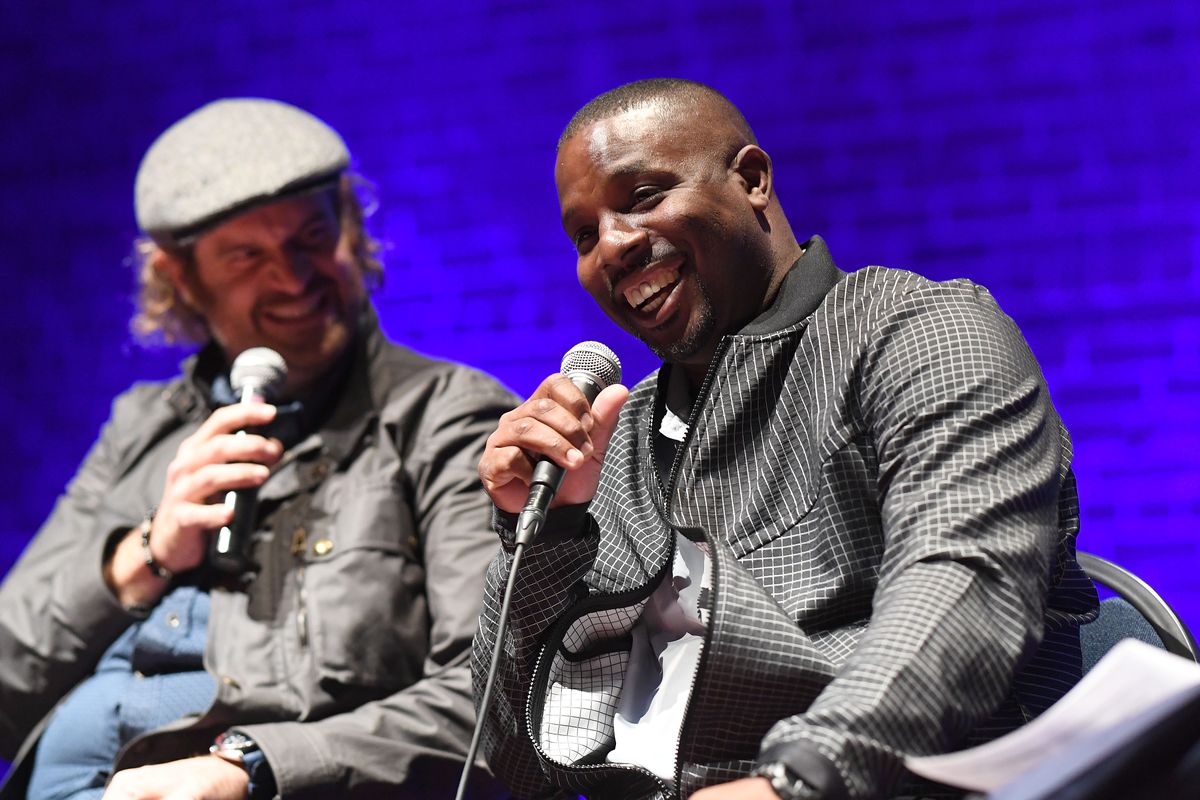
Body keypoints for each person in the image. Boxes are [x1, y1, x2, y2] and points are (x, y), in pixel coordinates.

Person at [473, 78, 1098, 800]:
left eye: (643, 197)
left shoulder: (917, 335)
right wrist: (547, 534)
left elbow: (964, 583)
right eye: (584, 235)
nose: (610, 247)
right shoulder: (610, 442)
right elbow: (512, 761)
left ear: (752, 180)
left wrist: (799, 779)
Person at [0, 98, 516, 799]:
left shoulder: (442, 415)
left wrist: (250, 767)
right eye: (249, 256)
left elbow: (496, 701)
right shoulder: (141, 426)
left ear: (350, 229)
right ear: (183, 278)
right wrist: (147, 555)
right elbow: (6, 679)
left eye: (311, 237)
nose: (294, 278)